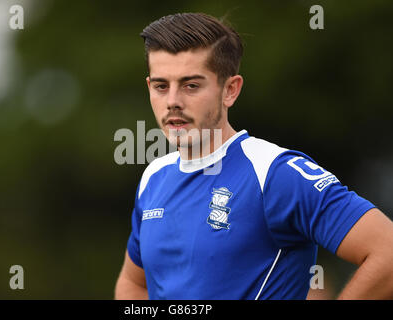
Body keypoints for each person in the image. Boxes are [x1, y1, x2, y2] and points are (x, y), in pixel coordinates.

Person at [114, 12, 393, 300]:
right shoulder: (154, 176)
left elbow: (388, 254)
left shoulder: (274, 172)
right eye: (162, 86)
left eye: (191, 85)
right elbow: (134, 283)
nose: (172, 101)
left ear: (230, 90)